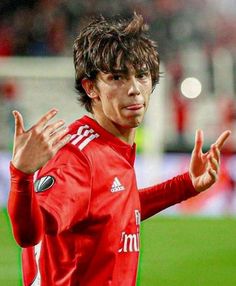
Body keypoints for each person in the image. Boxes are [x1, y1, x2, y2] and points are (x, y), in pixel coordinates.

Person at [8, 13, 230, 286]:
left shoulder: (112, 147)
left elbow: (114, 210)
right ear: (91, 88)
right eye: (117, 77)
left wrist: (186, 185)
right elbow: (33, 233)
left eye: (142, 75)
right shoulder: (77, 158)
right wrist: (21, 176)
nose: (134, 89)